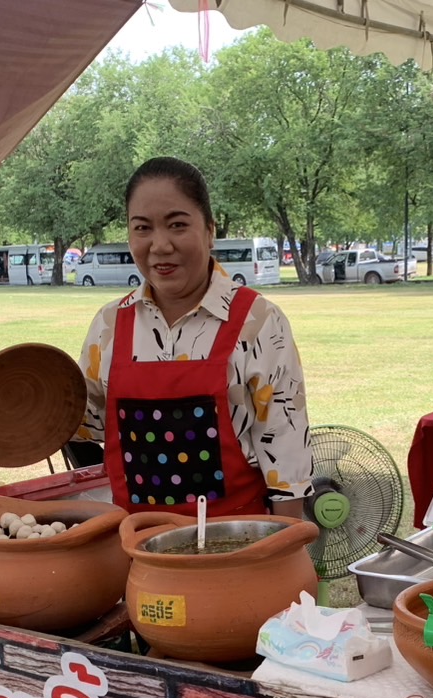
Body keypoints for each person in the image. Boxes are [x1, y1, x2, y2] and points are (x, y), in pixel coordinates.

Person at [70, 157, 312, 517]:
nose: (160, 245)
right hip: (138, 549)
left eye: (177, 225)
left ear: (210, 230)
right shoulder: (109, 325)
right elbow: (83, 430)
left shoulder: (258, 321)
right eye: (142, 228)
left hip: (239, 544)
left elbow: (286, 455)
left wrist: (287, 553)